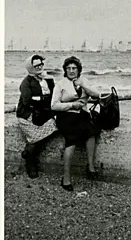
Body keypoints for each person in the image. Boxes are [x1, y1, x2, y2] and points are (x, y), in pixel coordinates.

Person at [51, 56, 101, 191]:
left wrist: (83, 85)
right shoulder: (60, 84)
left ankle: (90, 167)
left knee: (92, 133)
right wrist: (72, 105)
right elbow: (54, 105)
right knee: (71, 141)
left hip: (82, 116)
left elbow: (97, 95)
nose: (71, 71)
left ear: (79, 70)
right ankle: (66, 178)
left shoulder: (84, 81)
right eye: (69, 68)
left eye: (74, 68)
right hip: (66, 116)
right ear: (65, 70)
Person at [16, 54, 58, 179]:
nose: (39, 67)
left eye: (41, 64)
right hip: (27, 114)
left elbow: (54, 96)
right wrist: (42, 99)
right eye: (36, 65)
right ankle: (30, 163)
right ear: (30, 67)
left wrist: (42, 99)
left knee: (56, 125)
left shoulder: (48, 79)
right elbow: (27, 101)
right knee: (35, 139)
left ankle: (27, 151)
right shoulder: (26, 82)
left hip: (42, 112)